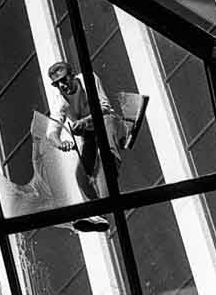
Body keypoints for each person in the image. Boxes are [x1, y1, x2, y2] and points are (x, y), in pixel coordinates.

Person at [47, 60, 147, 234]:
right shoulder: (60, 101)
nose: (63, 86)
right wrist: (60, 143)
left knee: (103, 159)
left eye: (65, 80)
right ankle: (96, 214)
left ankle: (111, 166)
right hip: (90, 136)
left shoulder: (88, 79)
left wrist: (83, 121)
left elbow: (105, 108)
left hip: (108, 123)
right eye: (58, 84)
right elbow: (51, 132)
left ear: (72, 75)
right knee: (81, 174)